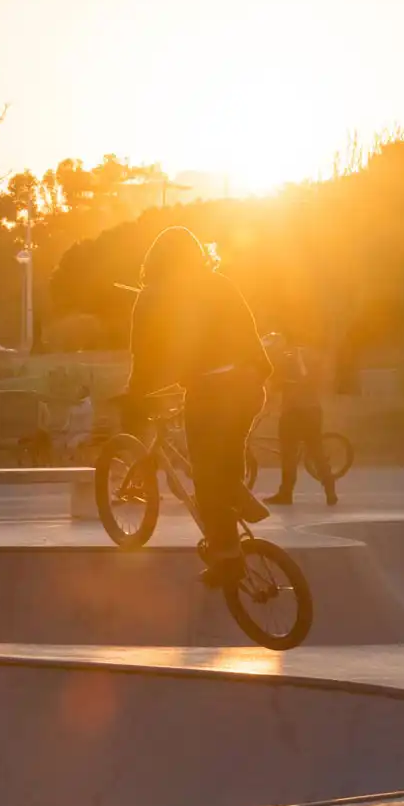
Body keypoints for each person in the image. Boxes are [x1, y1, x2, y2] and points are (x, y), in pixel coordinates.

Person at [120, 226, 273, 584]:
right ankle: (240, 499)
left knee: (205, 478)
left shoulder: (152, 295)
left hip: (212, 391)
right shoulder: (220, 283)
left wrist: (136, 396)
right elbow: (249, 330)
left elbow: (143, 355)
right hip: (249, 386)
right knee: (225, 463)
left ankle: (227, 559)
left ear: (154, 260)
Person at [263, 333, 336, 506]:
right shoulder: (307, 355)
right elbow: (319, 378)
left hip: (293, 412)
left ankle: (286, 493)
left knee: (288, 454)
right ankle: (330, 490)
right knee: (316, 450)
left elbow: (276, 384)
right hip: (312, 409)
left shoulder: (284, 359)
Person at [58, 386, 96, 463]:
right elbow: (69, 420)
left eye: (80, 391)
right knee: (60, 443)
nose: (77, 393)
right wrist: (64, 429)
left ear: (85, 393)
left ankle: (73, 461)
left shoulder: (87, 405)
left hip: (84, 433)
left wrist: (72, 407)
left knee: (71, 445)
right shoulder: (77, 405)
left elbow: (77, 413)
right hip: (74, 433)